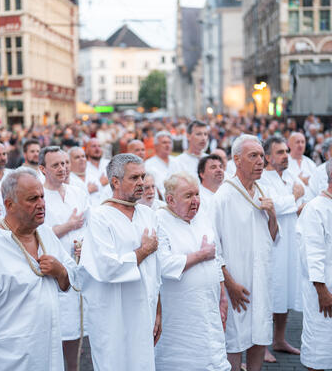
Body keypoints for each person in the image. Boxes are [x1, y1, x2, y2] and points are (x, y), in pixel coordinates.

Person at [0, 168, 77, 371]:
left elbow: (72, 279)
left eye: (42, 196)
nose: (41, 204)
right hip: (10, 361)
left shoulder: (46, 235)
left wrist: (60, 271)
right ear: (9, 205)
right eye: (32, 199)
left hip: (49, 356)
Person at [79, 154, 162, 371]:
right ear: (115, 181)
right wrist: (143, 251)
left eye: (143, 177)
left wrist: (158, 311)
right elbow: (108, 267)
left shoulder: (147, 214)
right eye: (134, 177)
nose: (142, 183)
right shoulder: (99, 217)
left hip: (145, 310)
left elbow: (156, 269)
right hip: (113, 315)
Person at [211, 134, 279, 371]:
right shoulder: (223, 197)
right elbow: (214, 248)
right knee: (234, 340)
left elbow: (272, 237)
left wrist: (272, 214)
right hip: (236, 283)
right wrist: (229, 283)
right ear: (237, 160)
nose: (261, 161)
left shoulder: (264, 188)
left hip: (260, 278)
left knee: (260, 333)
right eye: (254, 156)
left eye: (261, 156)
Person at [155, 172, 230, 371]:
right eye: (188, 196)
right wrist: (200, 255)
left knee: (213, 359)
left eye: (197, 194)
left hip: (209, 307)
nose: (195, 200)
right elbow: (163, 264)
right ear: (170, 200)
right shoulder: (159, 220)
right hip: (180, 314)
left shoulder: (202, 217)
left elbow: (217, 256)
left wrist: (222, 294)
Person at [39, 146, 88, 371]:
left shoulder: (77, 191)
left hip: (79, 266)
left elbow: (89, 225)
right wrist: (68, 226)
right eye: (56, 165)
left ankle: (74, 367)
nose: (63, 168)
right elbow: (39, 234)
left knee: (78, 328)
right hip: (55, 271)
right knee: (58, 329)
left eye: (65, 163)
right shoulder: (40, 196)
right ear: (43, 169)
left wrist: (85, 246)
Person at [260, 136, 304, 362]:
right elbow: (270, 204)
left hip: (290, 243)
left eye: (286, 151)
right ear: (268, 157)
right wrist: (292, 199)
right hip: (273, 241)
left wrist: (292, 200)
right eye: (279, 152)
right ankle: (263, 344)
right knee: (271, 291)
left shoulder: (289, 176)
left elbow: (300, 192)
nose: (285, 156)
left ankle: (279, 339)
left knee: (285, 290)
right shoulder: (262, 179)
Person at [297, 159, 332, 371]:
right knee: (319, 347)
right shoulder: (315, 208)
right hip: (323, 291)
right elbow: (312, 253)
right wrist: (321, 290)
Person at [144, 131, 175, 198]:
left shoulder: (177, 161)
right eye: (164, 142)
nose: (167, 145)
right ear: (156, 146)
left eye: (169, 142)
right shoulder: (148, 164)